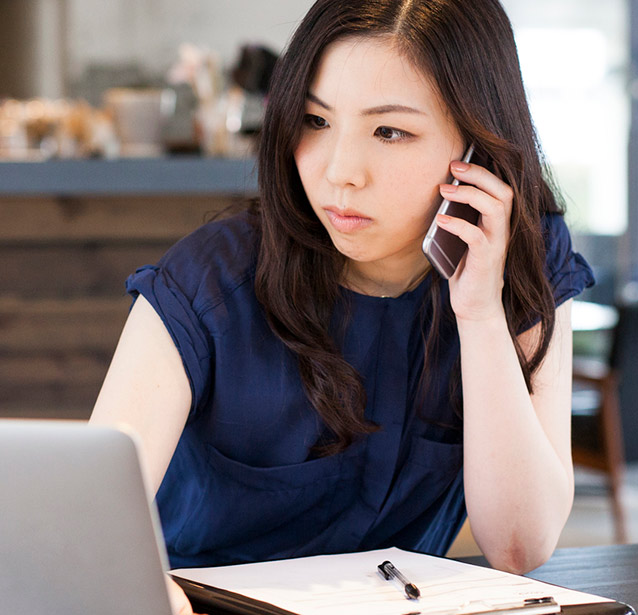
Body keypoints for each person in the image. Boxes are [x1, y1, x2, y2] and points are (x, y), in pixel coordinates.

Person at [88, 0, 594, 612]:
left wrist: (481, 316)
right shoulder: (207, 281)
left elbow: (521, 544)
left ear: (478, 146)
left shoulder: (519, 257)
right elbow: (86, 534)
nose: (340, 172)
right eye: (315, 120)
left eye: (390, 131)